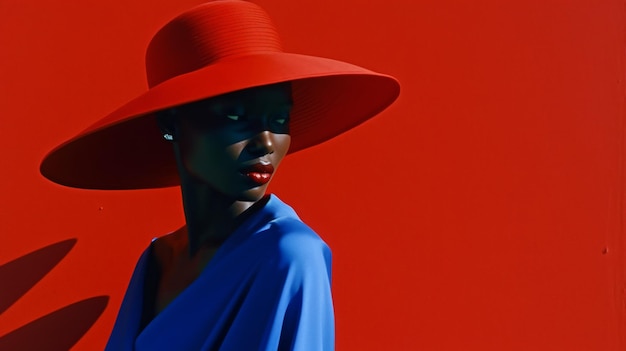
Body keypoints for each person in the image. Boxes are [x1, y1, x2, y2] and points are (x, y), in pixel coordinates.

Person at [40, 1, 399, 350]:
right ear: (171, 122)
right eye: (235, 116)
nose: (266, 144)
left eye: (279, 121)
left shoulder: (291, 256)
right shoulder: (155, 261)